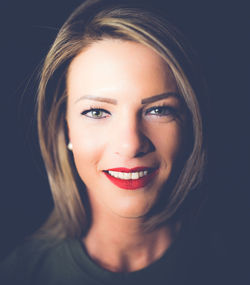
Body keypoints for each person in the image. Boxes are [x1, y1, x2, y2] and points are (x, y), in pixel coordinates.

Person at [1, 0, 229, 284]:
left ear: (190, 122)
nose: (131, 144)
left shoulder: (231, 261)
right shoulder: (21, 275)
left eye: (158, 110)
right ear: (65, 127)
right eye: (96, 112)